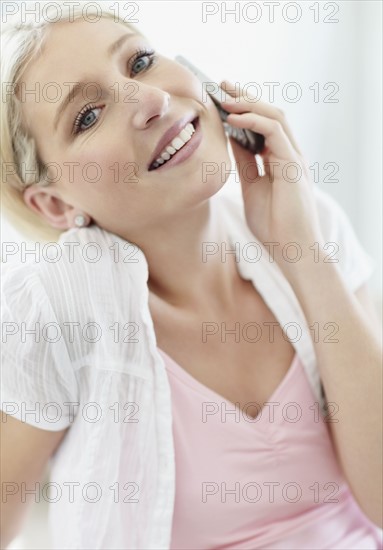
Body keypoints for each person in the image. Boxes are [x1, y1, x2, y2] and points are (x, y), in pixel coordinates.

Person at [1, 4, 382, 549]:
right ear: (55, 205)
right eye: (87, 115)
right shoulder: (58, 306)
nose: (152, 100)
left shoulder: (308, 221)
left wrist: (303, 255)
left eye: (141, 62)